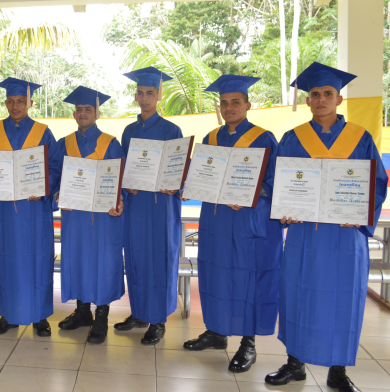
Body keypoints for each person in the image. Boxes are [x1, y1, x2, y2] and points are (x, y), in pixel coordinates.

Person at [266, 63, 387, 392]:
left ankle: (338, 370)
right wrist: (285, 209)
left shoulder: (360, 138)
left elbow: (376, 183)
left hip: (346, 236)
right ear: (308, 101)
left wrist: (361, 212)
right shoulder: (292, 138)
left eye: (327, 94)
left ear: (339, 99)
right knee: (298, 293)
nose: (321, 99)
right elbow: (277, 179)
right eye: (315, 94)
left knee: (343, 300)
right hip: (305, 233)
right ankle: (295, 363)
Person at [182, 75, 282, 374]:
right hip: (216, 219)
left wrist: (254, 195)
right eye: (224, 103)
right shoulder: (211, 139)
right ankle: (216, 331)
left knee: (247, 278)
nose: (229, 108)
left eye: (235, 102)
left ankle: (248, 343)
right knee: (215, 275)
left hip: (248, 220)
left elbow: (276, 180)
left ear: (248, 105)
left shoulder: (264, 138)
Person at [0, 77, 57, 337]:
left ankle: (41, 316)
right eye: (11, 101)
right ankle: (7, 314)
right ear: (5, 103)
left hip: (34, 211)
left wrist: (44, 187)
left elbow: (55, 168)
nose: (16, 106)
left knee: (38, 259)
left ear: (30, 103)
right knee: (5, 259)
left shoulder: (43, 131)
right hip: (3, 211)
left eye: (21, 101)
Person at [51, 86, 125, 344]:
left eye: (88, 109)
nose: (83, 113)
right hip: (75, 217)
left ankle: (102, 316)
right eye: (79, 109)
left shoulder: (110, 143)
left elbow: (120, 180)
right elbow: (53, 176)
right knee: (79, 260)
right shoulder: (64, 143)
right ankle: (83, 311)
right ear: (74, 114)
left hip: (104, 218)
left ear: (97, 113)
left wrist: (119, 199)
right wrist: (57, 193)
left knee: (102, 262)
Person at [117, 67, 182, 345]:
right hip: (135, 205)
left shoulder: (171, 129)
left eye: (150, 93)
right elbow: (122, 167)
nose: (145, 98)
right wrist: (125, 184)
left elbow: (178, 169)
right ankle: (140, 312)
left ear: (159, 95)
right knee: (136, 258)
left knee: (160, 259)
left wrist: (174, 182)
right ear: (135, 96)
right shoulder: (129, 131)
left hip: (161, 207)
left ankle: (158, 320)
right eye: (141, 93)